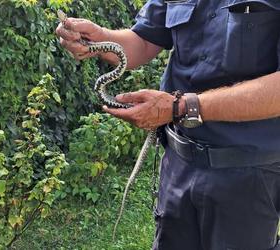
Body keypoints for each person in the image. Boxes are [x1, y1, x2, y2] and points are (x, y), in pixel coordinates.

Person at [56, 1, 280, 249]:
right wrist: (99, 39)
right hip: (178, 166)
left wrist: (182, 107)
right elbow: (143, 41)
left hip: (249, 175)